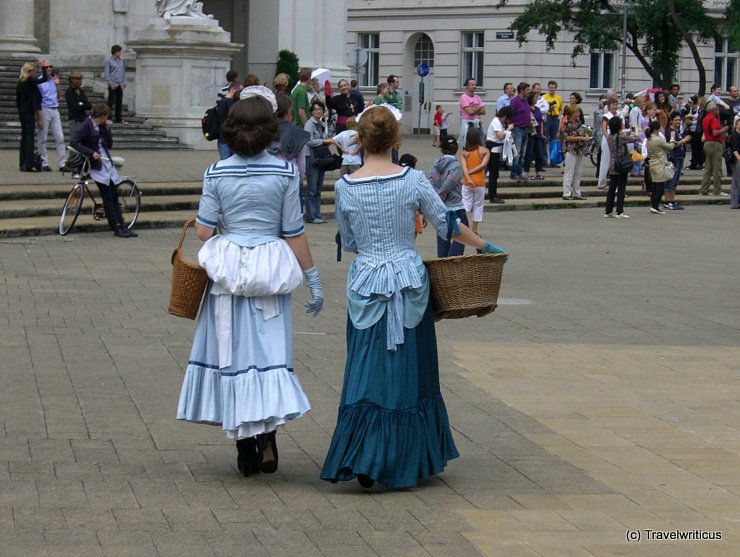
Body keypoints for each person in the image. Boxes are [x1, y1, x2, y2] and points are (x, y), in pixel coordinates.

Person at [320, 103, 507, 490]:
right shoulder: (412, 180)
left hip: (367, 282)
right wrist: (484, 246)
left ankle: (364, 456)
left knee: (365, 367)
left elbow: (350, 241)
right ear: (395, 140)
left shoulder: (344, 187)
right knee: (410, 369)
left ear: (360, 141)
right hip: (408, 281)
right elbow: (447, 224)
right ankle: (405, 456)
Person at [177, 94, 322, 478]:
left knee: (233, 353)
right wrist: (313, 279)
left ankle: (244, 443)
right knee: (271, 355)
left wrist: (227, 225)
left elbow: (205, 231)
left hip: (229, 271)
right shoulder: (285, 173)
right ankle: (268, 435)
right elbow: (294, 232)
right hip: (270, 269)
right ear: (269, 132)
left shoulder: (216, 172)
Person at [70, 103, 137, 237]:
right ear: (101, 116)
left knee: (114, 194)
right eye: (106, 117)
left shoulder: (100, 126)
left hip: (106, 162)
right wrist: (90, 152)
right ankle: (116, 226)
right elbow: (74, 142)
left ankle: (122, 224)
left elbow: (109, 145)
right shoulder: (86, 125)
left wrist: (107, 130)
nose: (106, 119)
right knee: (108, 196)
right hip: (95, 166)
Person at [429, 136, 467, 257]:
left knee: (443, 237)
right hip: (455, 206)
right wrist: (441, 193)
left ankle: (442, 264)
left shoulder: (436, 164)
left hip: (441, 207)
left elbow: (430, 181)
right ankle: (453, 262)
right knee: (462, 237)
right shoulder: (456, 165)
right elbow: (451, 180)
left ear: (441, 149)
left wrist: (437, 194)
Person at [646, 120, 689, 214]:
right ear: (656, 129)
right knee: (660, 187)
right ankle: (655, 206)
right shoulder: (656, 139)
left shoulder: (649, 139)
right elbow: (669, 146)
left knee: (655, 186)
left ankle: (654, 206)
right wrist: (673, 138)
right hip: (659, 164)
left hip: (653, 163)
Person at [304, 100, 335, 224]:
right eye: (316, 109)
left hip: (320, 158)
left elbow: (328, 136)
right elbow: (308, 140)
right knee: (311, 189)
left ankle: (317, 214)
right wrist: (323, 141)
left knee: (318, 189)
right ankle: (311, 216)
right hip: (312, 158)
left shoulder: (322, 124)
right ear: (312, 111)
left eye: (320, 109)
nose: (318, 111)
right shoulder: (309, 124)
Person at [16, 60, 47, 172]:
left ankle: (22, 162)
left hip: (22, 111)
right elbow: (43, 79)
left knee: (24, 137)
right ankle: (28, 164)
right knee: (29, 137)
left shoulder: (20, 81)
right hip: (28, 111)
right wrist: (44, 68)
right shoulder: (29, 80)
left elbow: (18, 100)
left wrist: (20, 110)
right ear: (29, 71)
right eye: (34, 71)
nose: (35, 73)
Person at [35, 61, 67, 172]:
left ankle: (62, 163)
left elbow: (59, 95)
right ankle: (44, 162)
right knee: (42, 137)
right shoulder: (39, 81)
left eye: (50, 66)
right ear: (42, 68)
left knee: (60, 137)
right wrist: (38, 115)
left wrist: (57, 84)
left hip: (55, 109)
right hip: (44, 109)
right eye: (45, 67)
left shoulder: (53, 79)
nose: (48, 69)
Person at [604, 116, 635, 219]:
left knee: (612, 189)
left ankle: (608, 210)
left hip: (613, 164)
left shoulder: (609, 137)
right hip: (621, 165)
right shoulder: (620, 137)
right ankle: (619, 211)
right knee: (621, 188)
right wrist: (631, 131)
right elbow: (635, 138)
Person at [460, 128, 489, 237]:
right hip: (480, 182)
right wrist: (473, 175)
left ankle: (462, 227)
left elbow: (464, 169)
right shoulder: (484, 151)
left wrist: (469, 178)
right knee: (478, 205)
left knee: (465, 204)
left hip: (467, 182)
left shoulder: (464, 153)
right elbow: (483, 165)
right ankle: (474, 229)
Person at [700, 102, 730, 196]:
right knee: (717, 168)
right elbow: (715, 133)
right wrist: (725, 129)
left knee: (708, 168)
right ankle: (717, 190)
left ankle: (704, 189)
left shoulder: (705, 118)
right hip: (714, 143)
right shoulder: (713, 119)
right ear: (714, 110)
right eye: (717, 109)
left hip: (707, 143)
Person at [561, 105, 589, 200]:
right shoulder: (566, 123)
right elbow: (566, 137)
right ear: (572, 113)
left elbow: (582, 131)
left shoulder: (579, 122)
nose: (579, 114)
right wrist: (580, 138)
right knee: (569, 172)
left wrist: (585, 135)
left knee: (578, 172)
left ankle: (577, 192)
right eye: (577, 112)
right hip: (571, 150)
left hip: (579, 149)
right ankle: (566, 193)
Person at [486, 106, 512, 204]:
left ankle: (493, 194)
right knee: (493, 174)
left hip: (496, 150)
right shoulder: (496, 121)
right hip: (493, 150)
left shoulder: (499, 122)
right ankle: (492, 196)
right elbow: (500, 136)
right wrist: (509, 129)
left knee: (495, 174)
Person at [664, 111, 689, 210]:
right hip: (673, 158)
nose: (678, 122)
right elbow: (672, 145)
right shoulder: (670, 131)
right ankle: (667, 201)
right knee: (671, 180)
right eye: (676, 120)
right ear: (671, 121)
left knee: (676, 181)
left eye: (679, 120)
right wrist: (684, 140)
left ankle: (672, 200)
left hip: (680, 157)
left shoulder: (677, 131)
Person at [509, 81, 531, 182]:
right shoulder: (515, 101)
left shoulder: (525, 101)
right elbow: (510, 114)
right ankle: (514, 172)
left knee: (523, 153)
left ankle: (519, 172)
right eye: (527, 90)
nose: (529, 91)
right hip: (518, 129)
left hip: (525, 129)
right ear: (521, 90)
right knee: (516, 153)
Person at [215, 82, 242, 159]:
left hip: (224, 138)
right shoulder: (229, 102)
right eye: (240, 90)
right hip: (228, 139)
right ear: (233, 90)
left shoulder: (223, 102)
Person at [597, 97, 619, 189]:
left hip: (617, 139)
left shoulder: (618, 115)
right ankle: (602, 182)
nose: (615, 106)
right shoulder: (606, 116)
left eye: (616, 104)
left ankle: (614, 184)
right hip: (608, 139)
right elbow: (604, 129)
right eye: (613, 104)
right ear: (609, 106)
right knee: (605, 161)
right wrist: (609, 138)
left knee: (615, 161)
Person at [523, 91, 546, 180]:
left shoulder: (537, 109)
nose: (536, 99)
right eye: (535, 97)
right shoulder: (527, 108)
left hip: (538, 134)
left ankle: (538, 172)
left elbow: (541, 121)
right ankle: (527, 172)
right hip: (530, 134)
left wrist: (542, 133)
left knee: (539, 154)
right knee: (529, 153)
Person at [542, 80, 563, 165]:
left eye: (553, 88)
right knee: (545, 138)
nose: (552, 89)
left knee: (554, 140)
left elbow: (561, 108)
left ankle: (553, 160)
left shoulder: (558, 98)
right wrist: (549, 108)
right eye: (550, 88)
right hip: (547, 117)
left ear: (556, 89)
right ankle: (544, 160)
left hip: (555, 118)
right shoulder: (544, 97)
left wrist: (559, 115)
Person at [104, 45, 127, 124]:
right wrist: (110, 83)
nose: (120, 53)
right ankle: (108, 117)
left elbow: (123, 72)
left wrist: (124, 83)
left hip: (120, 84)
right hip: (113, 84)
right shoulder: (109, 61)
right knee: (110, 101)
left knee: (119, 102)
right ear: (115, 52)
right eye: (119, 51)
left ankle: (118, 118)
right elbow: (107, 74)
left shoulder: (121, 61)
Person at [458, 78, 485, 142]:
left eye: (475, 85)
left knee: (481, 142)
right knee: (468, 144)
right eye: (472, 85)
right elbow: (470, 111)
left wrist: (473, 109)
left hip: (477, 123)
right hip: (468, 124)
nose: (474, 86)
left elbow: (483, 111)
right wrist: (478, 108)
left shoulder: (477, 97)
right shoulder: (463, 97)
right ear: (467, 86)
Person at [730, 118, 740, 209]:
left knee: (736, 181)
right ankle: (735, 202)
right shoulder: (735, 135)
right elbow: (734, 149)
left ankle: (735, 202)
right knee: (737, 181)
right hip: (737, 160)